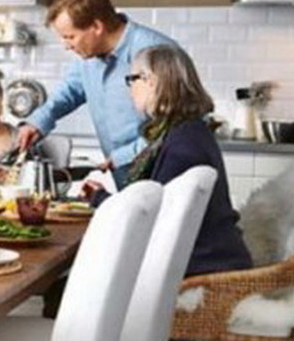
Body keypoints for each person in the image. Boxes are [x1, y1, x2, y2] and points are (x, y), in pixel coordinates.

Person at [83, 44, 252, 277]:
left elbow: (154, 218)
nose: (130, 88)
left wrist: (101, 199)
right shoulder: (187, 131)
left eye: (132, 79)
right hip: (209, 257)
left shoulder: (183, 143)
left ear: (150, 81)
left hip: (198, 267)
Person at [16, 0, 180, 189]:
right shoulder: (89, 56)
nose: (66, 45)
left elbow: (174, 126)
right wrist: (38, 122)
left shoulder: (155, 52)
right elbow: (71, 91)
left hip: (160, 173)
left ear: (96, 26)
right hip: (125, 175)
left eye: (70, 37)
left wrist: (123, 156)